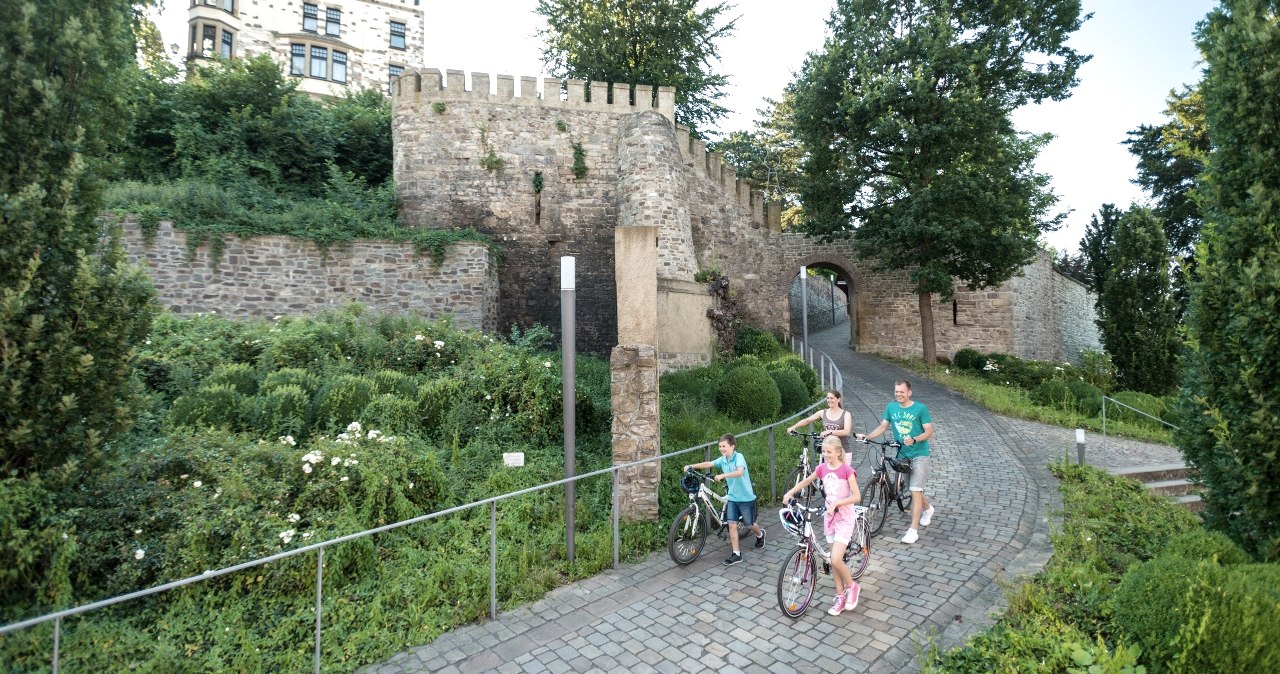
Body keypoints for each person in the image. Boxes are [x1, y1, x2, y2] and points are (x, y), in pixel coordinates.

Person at [783, 435, 862, 615]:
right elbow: (806, 481)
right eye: (824, 451)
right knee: (833, 561)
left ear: (838, 452)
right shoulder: (822, 468)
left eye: (829, 451)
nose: (825, 454)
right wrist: (790, 492)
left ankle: (852, 586)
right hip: (830, 519)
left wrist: (837, 504)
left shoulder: (847, 471)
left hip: (844, 518)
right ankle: (840, 596)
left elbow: (857, 496)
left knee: (835, 559)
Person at [856, 379, 935, 544]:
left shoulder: (920, 408)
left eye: (902, 392)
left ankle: (913, 531)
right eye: (897, 392)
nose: (899, 394)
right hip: (902, 455)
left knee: (914, 490)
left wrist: (914, 439)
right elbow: (883, 427)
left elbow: (928, 432)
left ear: (909, 392)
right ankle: (928, 509)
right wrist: (867, 436)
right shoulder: (891, 407)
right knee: (915, 490)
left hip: (919, 454)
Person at [682, 433, 764, 565]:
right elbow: (709, 463)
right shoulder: (723, 459)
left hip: (746, 497)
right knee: (732, 524)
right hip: (732, 497)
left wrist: (722, 475)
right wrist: (692, 465)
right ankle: (736, 554)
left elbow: (739, 472)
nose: (721, 448)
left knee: (749, 524)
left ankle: (760, 535)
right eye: (720, 446)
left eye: (724, 446)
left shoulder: (739, 457)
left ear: (732, 446)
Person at [786, 389, 853, 456]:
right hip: (828, 452)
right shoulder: (823, 412)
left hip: (843, 451)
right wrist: (793, 427)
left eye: (832, 398)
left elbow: (846, 431)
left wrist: (829, 431)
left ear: (838, 399)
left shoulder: (846, 414)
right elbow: (807, 420)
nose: (829, 400)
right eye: (828, 398)